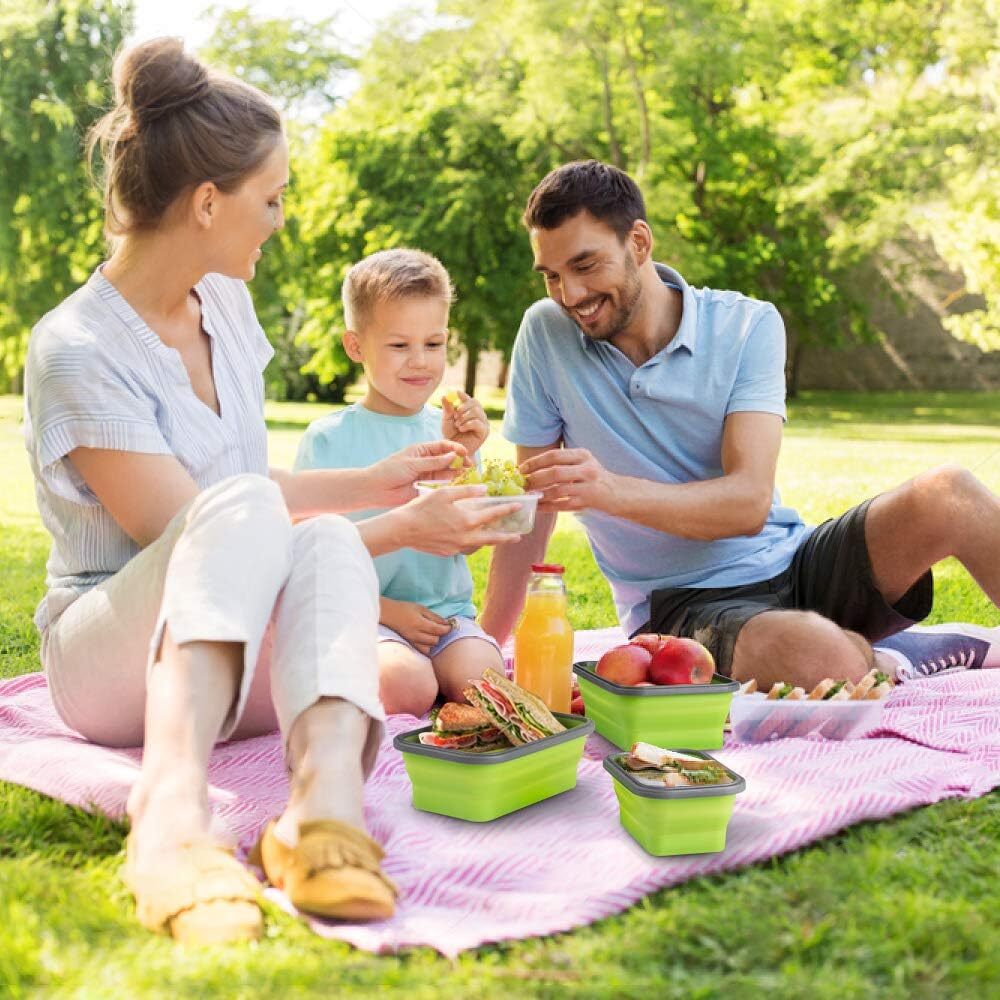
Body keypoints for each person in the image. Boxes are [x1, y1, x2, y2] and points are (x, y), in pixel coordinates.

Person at [22, 38, 520, 946]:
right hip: (107, 659)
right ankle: (169, 816)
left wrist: (371, 485)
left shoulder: (229, 308)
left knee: (327, 538)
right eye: (273, 198)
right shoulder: (77, 350)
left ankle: (323, 812)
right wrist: (400, 523)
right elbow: (211, 534)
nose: (281, 219)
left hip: (232, 639)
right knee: (290, 523)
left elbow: (249, 503)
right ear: (208, 202)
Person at [481, 159, 1000, 689]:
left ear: (638, 243)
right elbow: (532, 509)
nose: (570, 295)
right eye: (551, 276)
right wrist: (486, 645)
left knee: (950, 492)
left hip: (794, 561)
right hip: (681, 603)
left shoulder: (748, 324)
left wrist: (610, 490)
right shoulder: (545, 335)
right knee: (820, 659)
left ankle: (865, 648)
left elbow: (749, 504)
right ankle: (890, 656)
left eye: (585, 266)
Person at [293, 249, 506, 716]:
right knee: (407, 686)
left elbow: (466, 543)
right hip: (363, 614)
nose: (420, 363)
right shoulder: (328, 440)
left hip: (445, 615)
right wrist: (386, 611)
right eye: (398, 346)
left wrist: (466, 455)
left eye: (433, 345)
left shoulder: (449, 432)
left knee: (485, 683)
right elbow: (310, 555)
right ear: (355, 347)